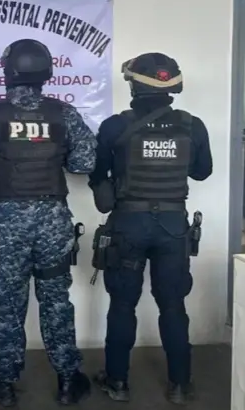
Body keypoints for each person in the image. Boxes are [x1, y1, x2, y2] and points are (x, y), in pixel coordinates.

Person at [0, 39, 96, 407]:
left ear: (8, 72)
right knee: (56, 299)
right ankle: (68, 381)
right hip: (53, 221)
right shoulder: (64, 114)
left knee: (3, 302)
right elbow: (84, 163)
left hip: (5, 222)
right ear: (46, 73)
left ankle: (2, 384)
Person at [88, 53, 212, 404]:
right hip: (173, 227)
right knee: (173, 304)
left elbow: (97, 173)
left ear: (134, 85)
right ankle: (179, 385)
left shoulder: (115, 126)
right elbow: (202, 172)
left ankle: (117, 382)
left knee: (122, 304)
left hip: (128, 225)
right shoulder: (193, 125)